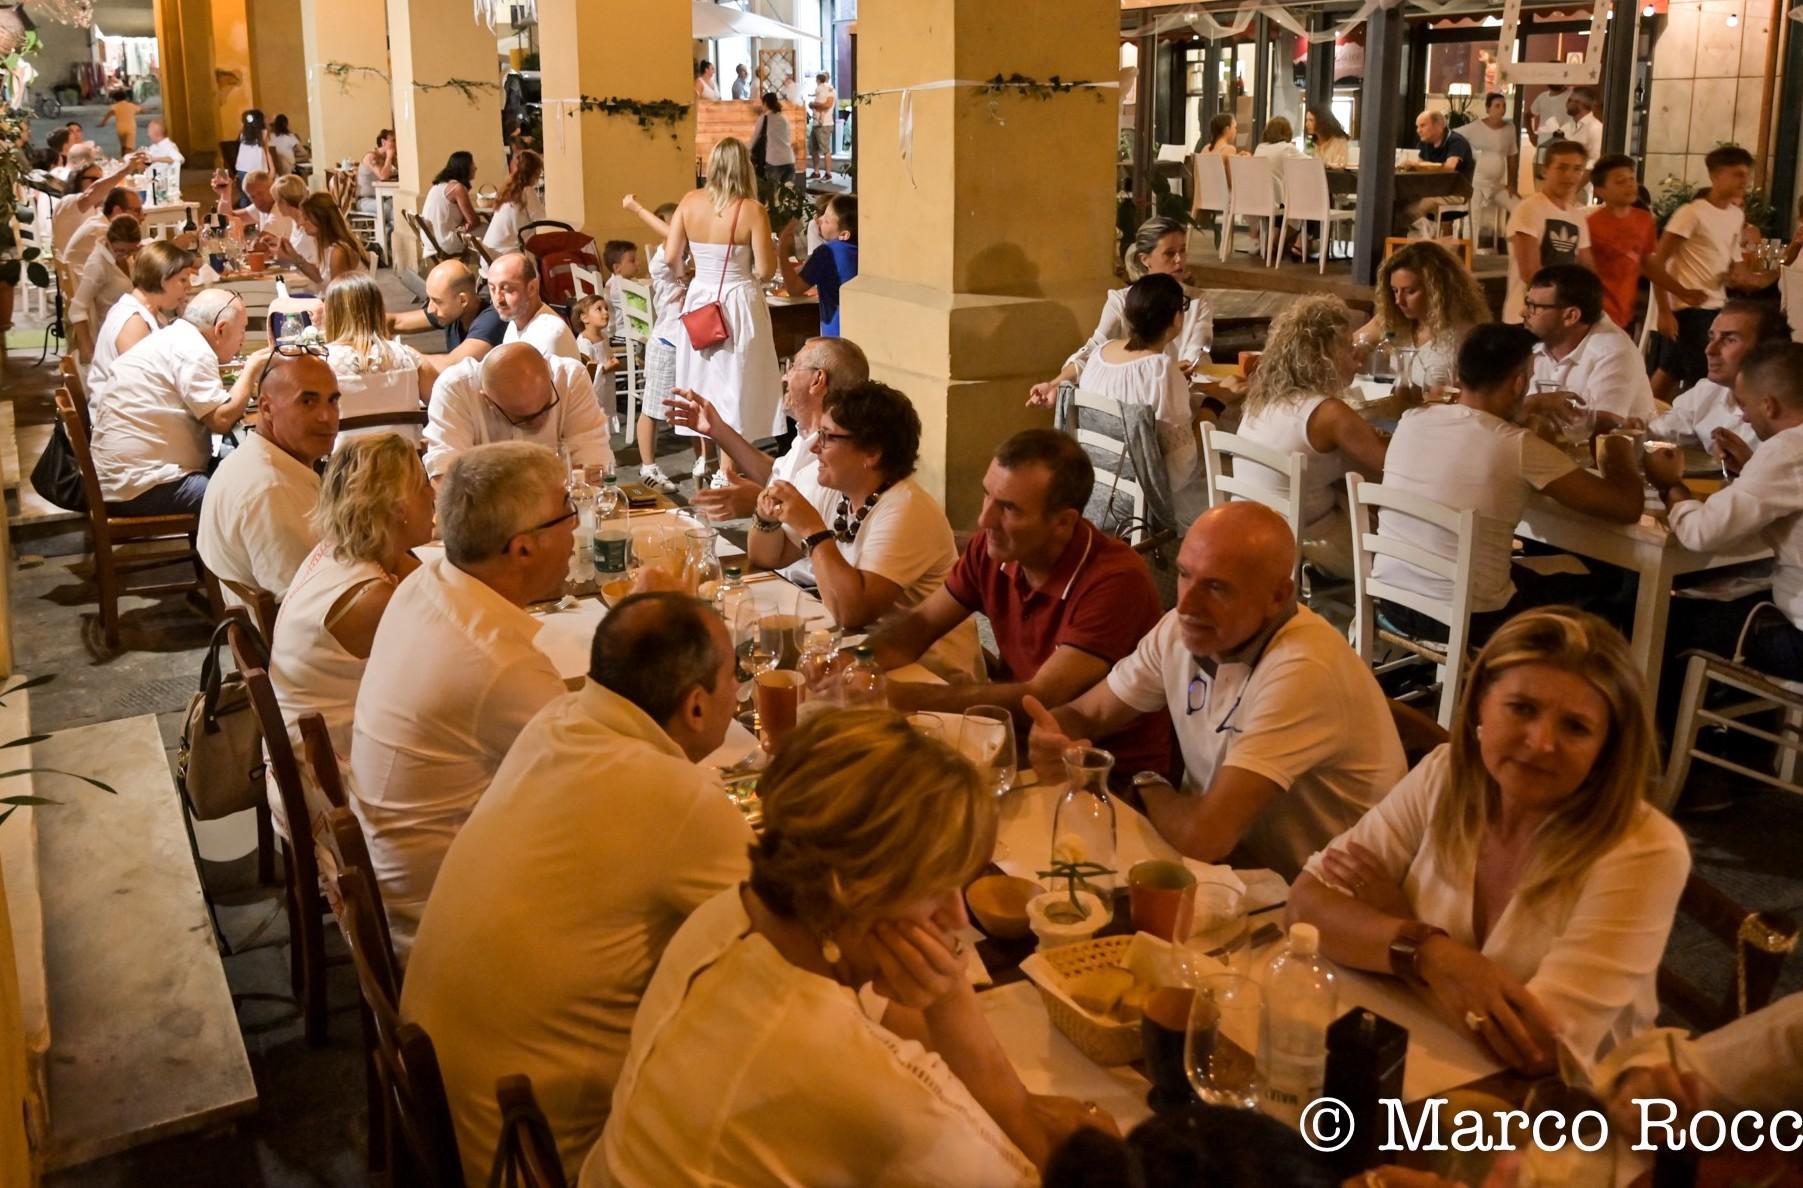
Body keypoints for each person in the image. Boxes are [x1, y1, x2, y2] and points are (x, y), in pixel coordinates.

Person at [588, 709, 1115, 1186]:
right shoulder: (861, 1085)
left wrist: (948, 997)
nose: (957, 917)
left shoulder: (735, 915)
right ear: (855, 887)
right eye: (937, 886)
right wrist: (1038, 1119)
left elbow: (899, 1031)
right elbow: (1020, 1172)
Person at [404, 592, 751, 1184]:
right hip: (529, 1156)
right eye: (734, 676)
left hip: (441, 1093)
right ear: (696, 707)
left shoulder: (557, 721)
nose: (739, 690)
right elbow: (794, 943)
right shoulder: (676, 799)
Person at [1290, 608, 1690, 1069]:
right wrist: (1430, 954)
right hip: (1422, 1054)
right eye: (1522, 709)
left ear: (1608, 749)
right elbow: (1304, 907)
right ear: (1480, 702)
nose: (1541, 742)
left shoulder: (1645, 850)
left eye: (1575, 727)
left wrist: (1398, 931)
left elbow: (1540, 1049)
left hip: (1564, 1111)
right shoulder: (1447, 774)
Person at [1023, 502, 1403, 877]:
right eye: (1185, 574)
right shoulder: (1181, 629)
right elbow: (1090, 713)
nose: (1186, 604)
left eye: (1216, 587)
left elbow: (1203, 838)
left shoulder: (1303, 669)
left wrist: (1145, 782)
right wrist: (1053, 732)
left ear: (1277, 596)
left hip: (1320, 897)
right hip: (1236, 871)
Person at [348, 441, 573, 960]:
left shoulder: (426, 581)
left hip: (400, 877)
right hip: (445, 927)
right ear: (522, 548)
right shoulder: (502, 666)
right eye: (567, 513)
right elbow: (606, 788)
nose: (576, 529)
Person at [869, 430, 1170, 770]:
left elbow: (1042, 695)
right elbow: (920, 624)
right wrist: (855, 661)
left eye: (1009, 508)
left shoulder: (1116, 580)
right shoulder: (994, 548)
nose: (985, 520)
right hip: (1018, 741)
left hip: (1102, 771)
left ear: (1063, 522)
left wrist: (901, 697)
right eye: (988, 496)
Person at [1372, 324, 1644, 646]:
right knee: (1612, 584)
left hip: (1394, 599)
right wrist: (1618, 452)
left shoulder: (1413, 420)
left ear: (1461, 374)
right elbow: (1626, 508)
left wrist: (1529, 405)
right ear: (1518, 383)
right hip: (1474, 618)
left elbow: (1470, 421)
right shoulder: (1517, 446)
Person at [749, 383, 981, 679]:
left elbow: (854, 613)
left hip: (929, 675)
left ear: (871, 453)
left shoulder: (906, 509)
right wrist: (765, 517)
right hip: (865, 653)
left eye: (828, 437)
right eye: (818, 433)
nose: (815, 446)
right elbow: (767, 557)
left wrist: (813, 529)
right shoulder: (837, 489)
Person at [267, 434, 434, 836]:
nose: (434, 494)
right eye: (424, 484)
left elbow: (433, 586)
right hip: (329, 782)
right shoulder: (371, 598)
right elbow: (448, 674)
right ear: (398, 509)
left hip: (311, 748)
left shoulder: (341, 550)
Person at [1646, 342, 1803, 683]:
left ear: (1769, 405)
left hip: (1798, 641)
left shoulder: (1787, 449)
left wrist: (1671, 485)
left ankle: (1684, 736)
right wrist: (1750, 470)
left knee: (1663, 619)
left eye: (1745, 406)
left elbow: (1701, 533)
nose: (1744, 417)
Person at [1238, 295, 1388, 577]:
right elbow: (1391, 468)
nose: (1357, 359)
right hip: (1309, 544)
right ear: (1323, 355)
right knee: (1407, 548)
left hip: (1251, 531)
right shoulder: (1328, 413)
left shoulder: (1263, 399)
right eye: (1347, 347)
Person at [664, 137, 784, 464]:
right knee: (736, 382)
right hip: (738, 302)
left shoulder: (689, 201)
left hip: (701, 298)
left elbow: (672, 256)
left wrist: (686, 274)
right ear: (745, 167)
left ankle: (706, 459)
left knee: (703, 379)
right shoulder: (752, 210)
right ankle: (727, 472)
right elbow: (765, 269)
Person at [1053, 273, 1205, 527]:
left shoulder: (1101, 355)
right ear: (1176, 318)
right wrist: (1213, 409)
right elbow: (1181, 463)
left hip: (1094, 481)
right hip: (1142, 495)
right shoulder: (1161, 370)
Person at [88, 291, 255, 516]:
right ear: (221, 329)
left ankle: (207, 551)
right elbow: (221, 420)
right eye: (243, 330)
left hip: (123, 479)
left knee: (239, 471)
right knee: (245, 501)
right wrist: (252, 368)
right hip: (140, 485)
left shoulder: (176, 337)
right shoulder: (193, 350)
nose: (243, 339)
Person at [198, 343, 341, 605]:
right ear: (265, 408)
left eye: (333, 400)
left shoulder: (252, 461)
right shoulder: (272, 490)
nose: (327, 416)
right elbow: (310, 606)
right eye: (307, 401)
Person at [671, 335, 868, 524]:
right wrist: (718, 429)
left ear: (817, 380)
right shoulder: (805, 435)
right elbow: (778, 477)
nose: (784, 377)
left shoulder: (837, 454)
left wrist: (761, 502)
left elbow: (814, 525)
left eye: (793, 367)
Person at [1029, 217, 1214, 400]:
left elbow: (1196, 355)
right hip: (1137, 393)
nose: (1179, 259)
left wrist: (1174, 375)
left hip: (1183, 390)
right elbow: (1093, 349)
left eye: (1183, 250)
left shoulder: (1197, 301)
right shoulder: (1121, 301)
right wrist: (1054, 384)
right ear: (1145, 259)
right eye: (1169, 253)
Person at [1646, 145, 1758, 396]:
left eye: (1746, 174)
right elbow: (1656, 263)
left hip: (1717, 305)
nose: (1744, 181)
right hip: (1689, 310)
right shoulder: (1691, 213)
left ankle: (1646, 417)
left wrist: (1742, 275)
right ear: (1717, 176)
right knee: (1704, 378)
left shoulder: (1735, 215)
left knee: (1671, 370)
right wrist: (1665, 309)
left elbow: (1734, 263)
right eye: (1737, 174)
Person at [1629, 298, 1790, 466]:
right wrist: (1633, 430)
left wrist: (1749, 464)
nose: (1710, 350)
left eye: (1730, 340)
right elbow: (1656, 435)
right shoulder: (1709, 391)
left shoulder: (1787, 411)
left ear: (1766, 350)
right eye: (1712, 337)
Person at [423, 341, 612, 480]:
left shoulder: (569, 378)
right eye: (523, 418)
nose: (539, 420)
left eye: (547, 406)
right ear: (488, 401)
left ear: (549, 374)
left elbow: (593, 465)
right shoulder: (455, 389)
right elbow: (447, 479)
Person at [1355, 238, 1492, 396]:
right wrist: (1361, 347)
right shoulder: (1391, 320)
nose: (1399, 301)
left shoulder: (1466, 333)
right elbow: (1351, 345)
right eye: (1394, 290)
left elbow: (1478, 394)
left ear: (1436, 290)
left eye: (1410, 291)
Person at [620, 194, 691, 493]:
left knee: (693, 404)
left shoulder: (687, 255)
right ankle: (648, 465)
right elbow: (675, 248)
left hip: (689, 342)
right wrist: (637, 208)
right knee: (652, 407)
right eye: (677, 227)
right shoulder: (664, 256)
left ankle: (706, 463)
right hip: (666, 341)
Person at [1524, 264, 1657, 422]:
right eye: (1527, 303)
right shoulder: (1536, 342)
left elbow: (1604, 422)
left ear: (1571, 316)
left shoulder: (1614, 351)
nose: (1524, 313)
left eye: (1534, 307)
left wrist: (1534, 405)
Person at [321, 271, 435, 436]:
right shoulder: (408, 357)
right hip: (404, 458)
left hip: (345, 460)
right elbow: (442, 405)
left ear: (331, 314)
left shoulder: (322, 364)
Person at [86, 240, 196, 397]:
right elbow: (143, 386)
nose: (189, 286)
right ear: (163, 279)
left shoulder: (151, 313)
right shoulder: (133, 322)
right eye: (183, 280)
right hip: (121, 417)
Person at [1503, 140, 1594, 323]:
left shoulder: (1577, 216)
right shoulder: (1529, 209)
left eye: (1577, 169)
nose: (1569, 175)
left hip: (1561, 320)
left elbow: (1587, 267)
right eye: (1562, 168)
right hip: (1526, 317)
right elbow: (1530, 273)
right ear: (1545, 170)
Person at [1586, 154, 1662, 334]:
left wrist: (1666, 308)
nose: (1629, 185)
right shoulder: (1590, 224)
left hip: (1625, 309)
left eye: (1631, 179)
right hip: (1597, 311)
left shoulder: (1644, 220)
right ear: (1600, 190)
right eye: (1620, 181)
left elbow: (1649, 265)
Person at [386, 258, 507, 370]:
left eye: (437, 301)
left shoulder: (492, 321)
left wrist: (394, 355)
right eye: (430, 299)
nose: (430, 309)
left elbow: (451, 364)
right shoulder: (451, 312)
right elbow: (397, 322)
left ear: (462, 300)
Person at [778, 193, 857, 337]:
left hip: (834, 333)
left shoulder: (827, 252)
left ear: (844, 234)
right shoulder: (859, 250)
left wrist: (782, 250)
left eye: (826, 220)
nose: (818, 220)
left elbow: (794, 288)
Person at [68, 214, 140, 365]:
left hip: (128, 324)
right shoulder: (98, 265)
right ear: (108, 240)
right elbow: (76, 310)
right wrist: (89, 351)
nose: (125, 255)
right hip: (111, 335)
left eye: (131, 251)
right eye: (121, 250)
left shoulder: (124, 258)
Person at [484, 250, 579, 361]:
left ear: (532, 288)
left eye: (506, 289)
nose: (497, 299)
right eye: (492, 289)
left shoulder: (550, 335)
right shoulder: (515, 321)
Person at [50, 152, 148, 257]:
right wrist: (126, 170)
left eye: (101, 179)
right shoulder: (70, 202)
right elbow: (91, 193)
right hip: (80, 270)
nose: (103, 184)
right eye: (94, 180)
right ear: (77, 180)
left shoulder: (94, 211)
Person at [269, 192, 364, 286]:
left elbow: (337, 296)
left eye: (306, 218)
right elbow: (319, 277)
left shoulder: (339, 252)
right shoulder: (325, 245)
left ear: (321, 219)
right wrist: (295, 257)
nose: (301, 223)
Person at [1405, 109, 1475, 237]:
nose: (1418, 130)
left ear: (1439, 125)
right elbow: (1420, 167)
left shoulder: (1456, 142)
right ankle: (1426, 234)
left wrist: (1419, 165)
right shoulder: (1425, 143)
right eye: (1417, 126)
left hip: (1455, 191)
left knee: (1413, 210)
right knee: (1400, 204)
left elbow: (1449, 168)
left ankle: (1429, 236)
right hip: (1433, 190)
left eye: (1423, 125)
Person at [1462, 92, 1520, 241]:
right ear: (1488, 109)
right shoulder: (1474, 127)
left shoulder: (1509, 128)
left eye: (1504, 106)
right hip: (1476, 184)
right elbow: (1454, 137)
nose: (1501, 109)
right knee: (1473, 217)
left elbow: (1512, 156)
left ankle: (1515, 244)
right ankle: (1470, 255)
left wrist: (1512, 183)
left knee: (1519, 208)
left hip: (1497, 185)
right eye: (1497, 106)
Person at [480, 149, 543, 260]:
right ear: (536, 172)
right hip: (506, 257)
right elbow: (542, 221)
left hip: (490, 254)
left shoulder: (507, 190)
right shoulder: (527, 191)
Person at [420, 150, 481, 258]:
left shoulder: (438, 185)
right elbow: (474, 221)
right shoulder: (457, 188)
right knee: (489, 231)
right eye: (472, 164)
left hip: (430, 240)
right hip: (445, 241)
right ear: (465, 167)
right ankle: (490, 269)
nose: (475, 168)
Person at [262, 174, 317, 266]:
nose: (276, 205)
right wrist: (277, 241)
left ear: (283, 202)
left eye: (277, 201)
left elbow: (312, 261)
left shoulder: (309, 226)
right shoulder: (295, 221)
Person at [752, 92, 796, 189]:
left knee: (772, 194)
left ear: (765, 104)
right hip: (789, 159)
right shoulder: (784, 118)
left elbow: (754, 139)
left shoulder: (764, 118)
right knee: (789, 193)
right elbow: (789, 136)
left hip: (774, 161)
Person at [231, 109, 273, 199]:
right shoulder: (264, 132)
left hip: (242, 168)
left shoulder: (242, 134)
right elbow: (267, 152)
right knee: (258, 195)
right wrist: (272, 168)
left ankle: (245, 211)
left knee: (244, 195)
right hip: (258, 168)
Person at [1562, 88, 1603, 174]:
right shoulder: (1565, 127)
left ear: (1582, 104)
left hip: (1585, 183)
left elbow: (1595, 161)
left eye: (1570, 100)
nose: (1566, 103)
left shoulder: (1596, 128)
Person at [356, 128, 397, 213]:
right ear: (383, 142)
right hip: (366, 200)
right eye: (393, 140)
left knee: (401, 204)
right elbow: (383, 176)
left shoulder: (384, 159)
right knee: (387, 209)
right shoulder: (371, 157)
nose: (395, 144)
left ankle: (390, 226)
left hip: (382, 197)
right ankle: (390, 226)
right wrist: (389, 157)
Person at [808, 71, 837, 178]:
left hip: (824, 124)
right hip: (816, 123)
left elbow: (827, 105)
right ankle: (816, 172)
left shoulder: (830, 90)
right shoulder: (820, 90)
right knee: (813, 149)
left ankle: (828, 173)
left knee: (825, 149)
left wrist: (813, 104)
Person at [98, 89, 141, 155]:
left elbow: (107, 115)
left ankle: (122, 159)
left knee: (123, 146)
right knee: (129, 148)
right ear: (126, 97)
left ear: (115, 99)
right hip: (130, 128)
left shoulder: (114, 106)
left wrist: (102, 123)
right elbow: (142, 109)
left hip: (120, 129)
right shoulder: (131, 105)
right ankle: (128, 161)